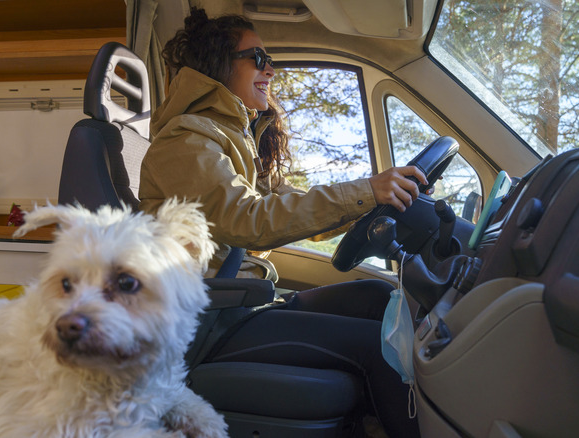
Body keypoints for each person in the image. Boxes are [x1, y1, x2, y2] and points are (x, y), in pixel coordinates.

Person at [138, 8, 424, 438]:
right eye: (257, 57)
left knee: (377, 298)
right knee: (378, 349)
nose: (270, 68)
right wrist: (368, 190)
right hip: (210, 323)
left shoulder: (227, 138)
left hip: (243, 304)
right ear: (219, 65)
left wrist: (370, 201)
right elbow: (248, 220)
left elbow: (286, 205)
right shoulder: (184, 142)